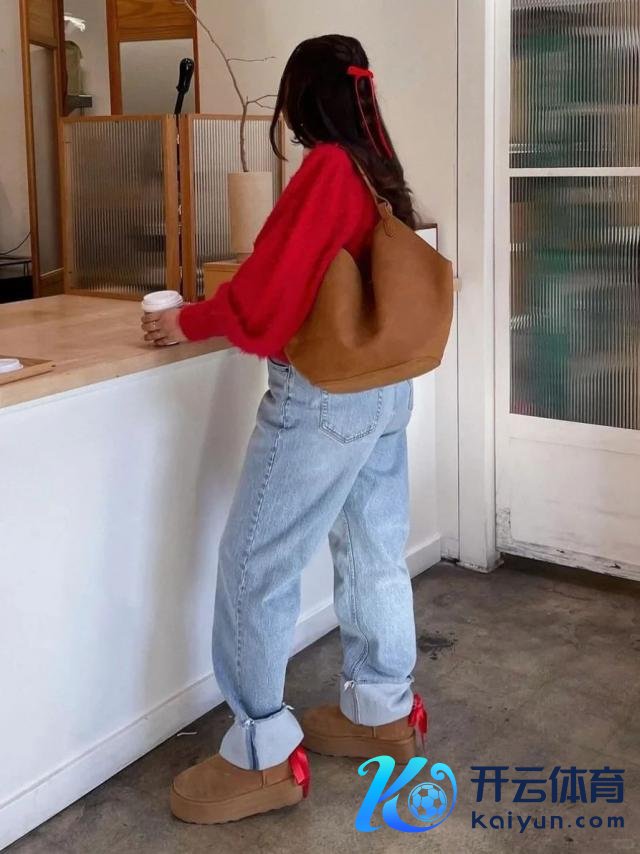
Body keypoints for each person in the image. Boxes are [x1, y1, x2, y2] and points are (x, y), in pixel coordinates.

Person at [141, 33, 427, 825]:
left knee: (254, 565)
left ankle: (263, 755)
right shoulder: (377, 167)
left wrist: (187, 320)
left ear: (302, 98)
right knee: (372, 549)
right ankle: (382, 710)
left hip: (325, 398)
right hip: (384, 387)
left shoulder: (329, 169)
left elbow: (269, 296)